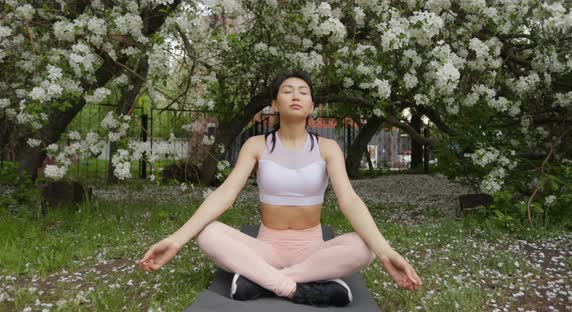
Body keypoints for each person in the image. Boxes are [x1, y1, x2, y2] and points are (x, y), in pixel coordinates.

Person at [136, 71, 422, 307]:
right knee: (208, 234)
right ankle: (299, 288)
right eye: (287, 91)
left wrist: (386, 252)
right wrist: (176, 239)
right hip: (266, 248)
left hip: (312, 251)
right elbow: (225, 195)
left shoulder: (328, 148)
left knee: (365, 248)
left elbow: (349, 200)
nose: (295, 95)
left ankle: (260, 281)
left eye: (303, 91)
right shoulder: (256, 145)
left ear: (312, 106)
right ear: (275, 103)